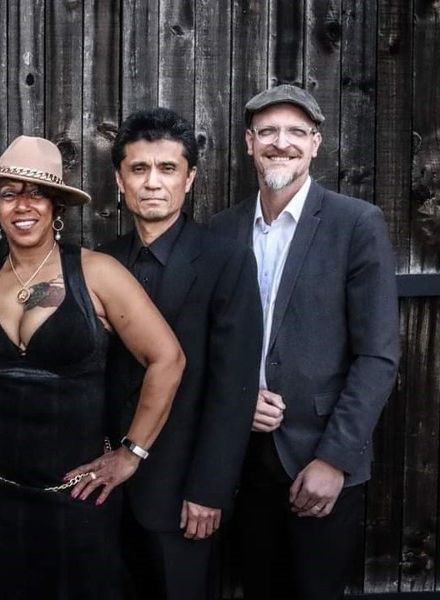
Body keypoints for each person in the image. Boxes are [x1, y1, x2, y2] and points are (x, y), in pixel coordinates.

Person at [0, 135, 185, 599]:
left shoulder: (98, 273)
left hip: (75, 492)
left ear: (57, 206)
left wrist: (131, 453)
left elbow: (167, 359)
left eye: (36, 193)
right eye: (9, 194)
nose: (22, 205)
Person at [210, 84, 400, 600]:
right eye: (268, 131)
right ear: (249, 143)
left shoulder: (355, 224)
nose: (281, 142)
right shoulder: (223, 230)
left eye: (297, 131)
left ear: (315, 144)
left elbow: (378, 355)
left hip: (319, 461)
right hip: (242, 461)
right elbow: (208, 343)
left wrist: (334, 459)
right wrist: (238, 399)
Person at [98, 108, 263, 600]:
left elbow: (233, 388)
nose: (153, 182)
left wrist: (210, 490)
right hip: (106, 491)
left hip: (184, 493)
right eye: (139, 168)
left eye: (167, 168)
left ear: (189, 179)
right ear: (119, 179)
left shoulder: (226, 259)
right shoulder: (102, 260)